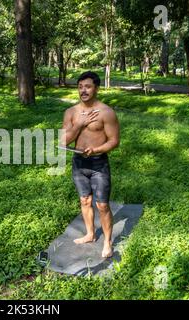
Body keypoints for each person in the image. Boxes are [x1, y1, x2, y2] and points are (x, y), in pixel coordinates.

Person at [60, 71, 120, 258]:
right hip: (79, 162)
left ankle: (108, 243)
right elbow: (63, 141)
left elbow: (114, 141)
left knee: (102, 205)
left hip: (98, 163)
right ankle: (90, 234)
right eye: (80, 87)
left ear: (96, 88)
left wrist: (97, 150)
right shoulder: (71, 112)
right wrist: (78, 124)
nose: (83, 90)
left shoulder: (106, 112)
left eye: (87, 86)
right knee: (85, 201)